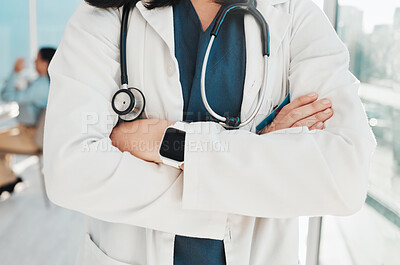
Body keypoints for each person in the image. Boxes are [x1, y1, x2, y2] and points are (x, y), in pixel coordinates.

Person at [44, 0, 376, 264]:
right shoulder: (104, 18)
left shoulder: (295, 17)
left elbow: (346, 175)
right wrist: (262, 161)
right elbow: (70, 170)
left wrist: (168, 142)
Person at [0, 47, 56, 197]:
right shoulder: (43, 83)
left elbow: (7, 95)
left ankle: (7, 179)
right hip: (26, 131)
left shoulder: (41, 86)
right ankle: (7, 178)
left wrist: (15, 72)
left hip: (30, 137)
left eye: (37, 59)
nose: (34, 62)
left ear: (45, 64)